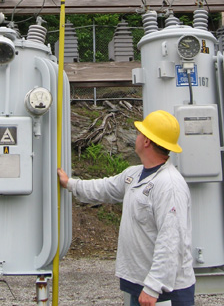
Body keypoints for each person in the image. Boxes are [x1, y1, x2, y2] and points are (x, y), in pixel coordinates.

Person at [57, 109, 195, 306]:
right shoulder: (135, 174)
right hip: (142, 285)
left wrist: (154, 286)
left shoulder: (169, 185)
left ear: (146, 141)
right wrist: (70, 184)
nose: (136, 136)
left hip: (164, 291)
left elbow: (172, 239)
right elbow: (105, 188)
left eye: (140, 133)